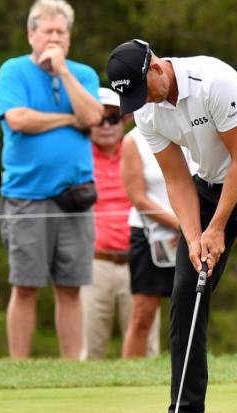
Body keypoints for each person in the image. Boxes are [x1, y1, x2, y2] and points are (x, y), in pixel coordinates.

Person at [108, 39, 237, 413]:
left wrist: (216, 228)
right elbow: (177, 179)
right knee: (185, 293)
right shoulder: (145, 109)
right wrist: (195, 236)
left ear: (157, 68)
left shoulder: (214, 80)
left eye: (144, 90)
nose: (143, 101)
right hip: (208, 185)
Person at [0, 0, 103, 360]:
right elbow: (19, 120)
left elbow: (92, 116)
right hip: (27, 196)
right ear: (31, 34)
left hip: (75, 197)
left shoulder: (83, 74)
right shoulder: (13, 71)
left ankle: (71, 367)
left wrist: (63, 73)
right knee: (25, 286)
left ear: (69, 38)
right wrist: (67, 119)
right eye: (47, 31)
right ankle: (19, 369)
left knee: (70, 287)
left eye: (61, 32)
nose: (54, 38)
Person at [80, 87, 158, 360]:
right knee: (91, 348)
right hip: (94, 261)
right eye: (98, 118)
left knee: (145, 345)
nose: (105, 126)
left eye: (113, 118)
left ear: (124, 121)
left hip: (138, 257)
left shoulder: (141, 149)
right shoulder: (77, 155)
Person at [120, 127, 195, 359]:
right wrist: (180, 226)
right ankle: (131, 378)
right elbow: (138, 197)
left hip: (191, 232)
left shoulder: (189, 130)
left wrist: (189, 227)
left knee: (190, 312)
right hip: (149, 233)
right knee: (143, 313)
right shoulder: (133, 140)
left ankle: (186, 373)